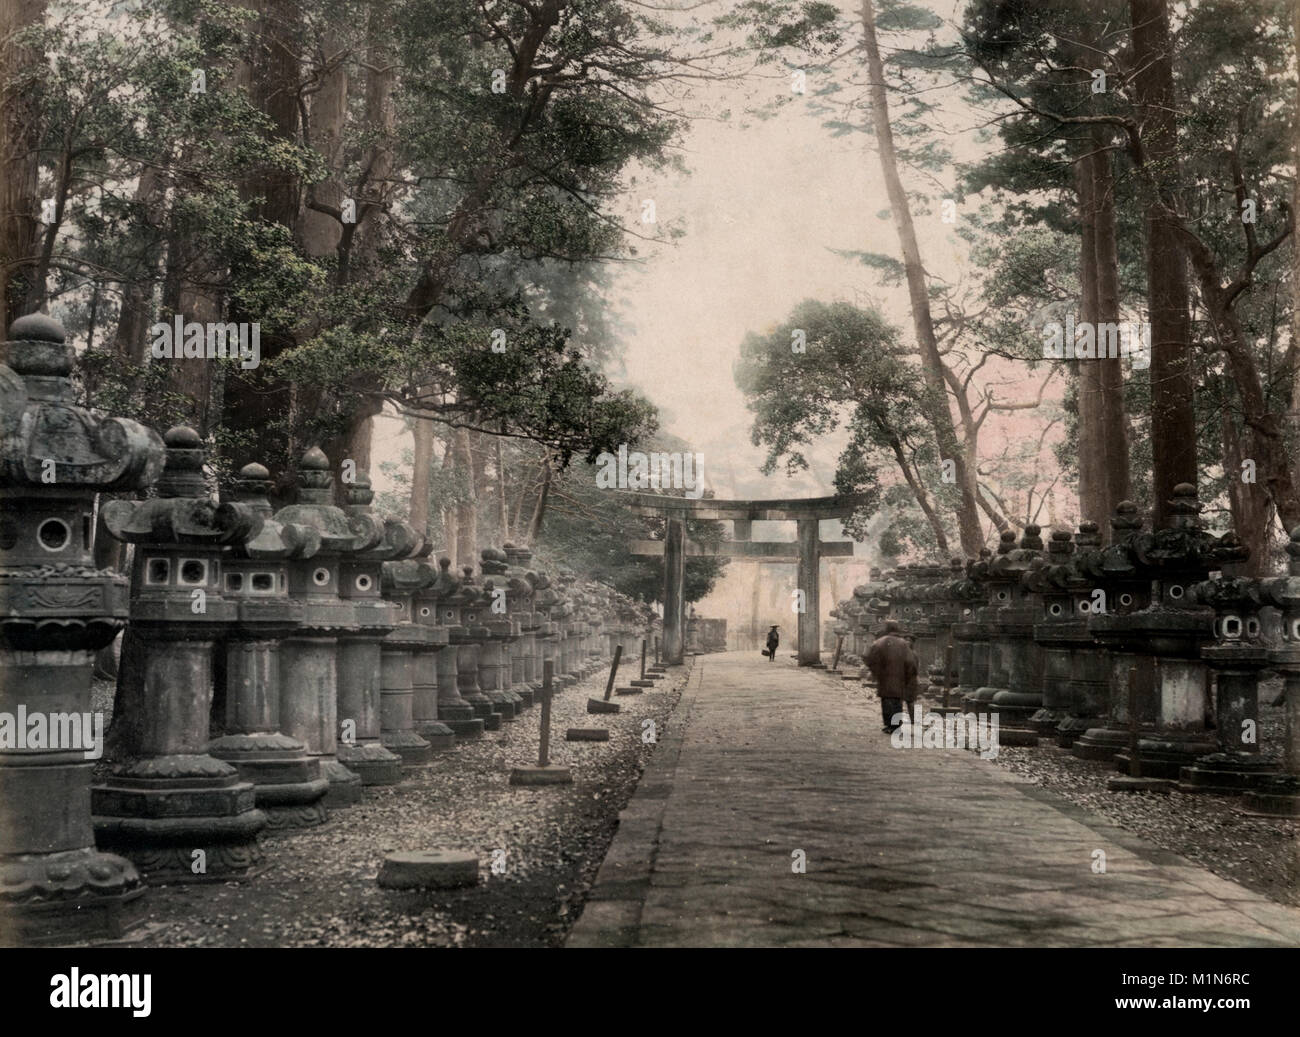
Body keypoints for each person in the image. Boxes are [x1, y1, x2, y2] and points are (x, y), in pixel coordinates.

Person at [864, 620, 918, 733]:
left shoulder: (880, 642)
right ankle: (896, 725)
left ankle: (889, 725)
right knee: (897, 701)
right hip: (900, 678)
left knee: (886, 701)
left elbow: (868, 658)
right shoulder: (903, 644)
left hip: (884, 678)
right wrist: (908, 676)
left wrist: (876, 672)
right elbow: (910, 662)